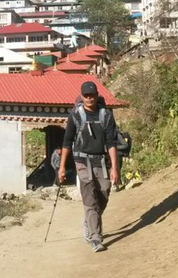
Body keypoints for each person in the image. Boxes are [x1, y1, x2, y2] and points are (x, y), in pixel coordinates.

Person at [58, 81, 119, 253]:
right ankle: (95, 238)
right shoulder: (75, 115)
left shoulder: (106, 115)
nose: (89, 98)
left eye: (92, 95)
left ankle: (89, 221)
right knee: (90, 199)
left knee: (104, 193)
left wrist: (115, 168)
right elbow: (67, 141)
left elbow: (111, 142)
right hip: (82, 161)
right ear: (82, 96)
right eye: (86, 95)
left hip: (101, 160)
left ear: (97, 95)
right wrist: (62, 167)